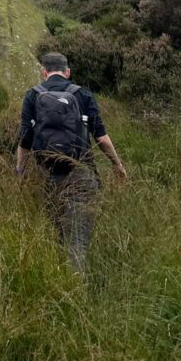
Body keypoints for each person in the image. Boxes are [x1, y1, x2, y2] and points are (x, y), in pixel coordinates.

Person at [15, 51, 126, 273]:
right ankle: (76, 298)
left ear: (43, 72)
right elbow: (101, 138)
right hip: (81, 177)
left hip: (45, 177)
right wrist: (117, 164)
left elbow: (24, 141)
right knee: (77, 243)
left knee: (54, 239)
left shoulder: (32, 96)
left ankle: (54, 288)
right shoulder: (83, 95)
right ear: (68, 72)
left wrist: (21, 172)